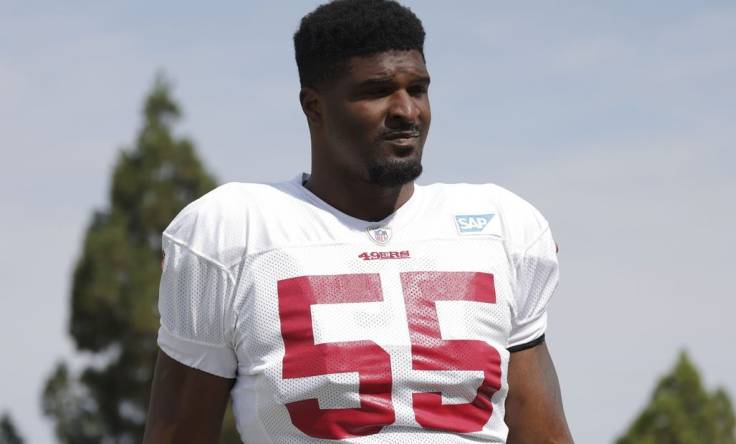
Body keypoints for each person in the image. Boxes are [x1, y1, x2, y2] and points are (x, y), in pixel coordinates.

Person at [142, 0, 573, 442]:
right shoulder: (233, 231)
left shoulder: (501, 227)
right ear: (314, 107)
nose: (407, 111)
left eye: (418, 88)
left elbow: (542, 431)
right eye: (376, 91)